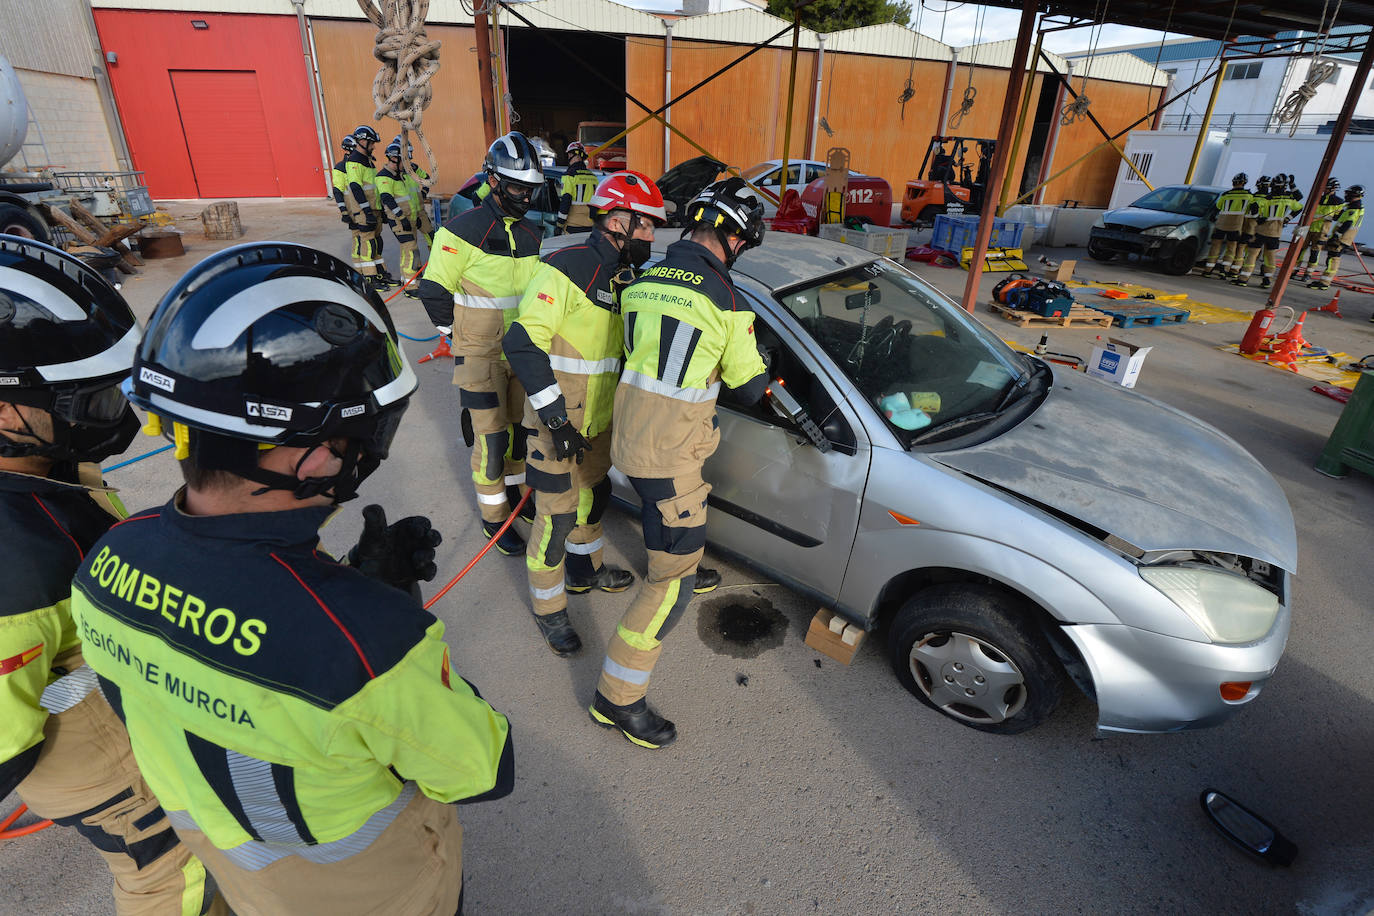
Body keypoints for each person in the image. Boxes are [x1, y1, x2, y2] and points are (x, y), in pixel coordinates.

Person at [69, 242, 514, 915]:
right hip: (374, 893)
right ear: (307, 459)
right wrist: (382, 612)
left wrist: (345, 592)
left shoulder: (107, 560)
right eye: (359, 438)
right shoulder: (373, 644)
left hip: (240, 873)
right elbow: (483, 771)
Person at [0, 236, 226, 915]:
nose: (106, 413)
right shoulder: (15, 565)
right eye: (83, 399)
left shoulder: (48, 471)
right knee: (173, 877)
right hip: (104, 767)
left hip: (130, 717)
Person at [592, 178, 769, 748]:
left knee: (665, 534)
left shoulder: (644, 279)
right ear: (733, 237)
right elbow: (750, 388)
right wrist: (757, 355)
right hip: (671, 461)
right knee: (668, 584)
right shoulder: (727, 299)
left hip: (632, 442)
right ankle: (616, 700)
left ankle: (677, 559)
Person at [503, 172, 667, 656]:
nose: (652, 237)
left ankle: (585, 571)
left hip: (598, 427)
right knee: (553, 522)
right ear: (618, 221)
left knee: (593, 500)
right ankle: (550, 610)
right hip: (557, 426)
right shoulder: (564, 268)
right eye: (647, 227)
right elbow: (521, 341)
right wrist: (555, 419)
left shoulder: (629, 278)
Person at [417, 132, 545, 556]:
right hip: (479, 354)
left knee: (519, 434)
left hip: (520, 353)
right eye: (515, 187)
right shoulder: (461, 230)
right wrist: (458, 337)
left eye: (530, 189)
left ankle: (513, 499)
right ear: (492, 180)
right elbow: (434, 290)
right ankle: (494, 519)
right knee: (490, 441)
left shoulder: (532, 232)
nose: (524, 197)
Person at [343, 124, 396, 294]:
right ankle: (370, 279)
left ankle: (380, 273)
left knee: (376, 242)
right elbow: (356, 188)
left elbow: (374, 188)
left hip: (374, 209)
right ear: (362, 141)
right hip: (364, 211)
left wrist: (381, 210)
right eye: (371, 143)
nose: (373, 146)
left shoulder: (368, 161)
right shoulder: (354, 162)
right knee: (368, 243)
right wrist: (366, 211)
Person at [376, 140, 423, 291]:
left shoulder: (399, 175)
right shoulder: (384, 176)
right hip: (399, 221)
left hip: (408, 219)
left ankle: (406, 280)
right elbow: (387, 199)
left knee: (407, 250)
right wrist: (402, 218)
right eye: (403, 161)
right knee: (410, 249)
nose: (405, 164)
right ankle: (410, 288)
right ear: (395, 159)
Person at [1310, 184, 1364, 292]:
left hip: (1341, 239)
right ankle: (1323, 281)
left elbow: (1347, 223)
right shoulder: (1354, 207)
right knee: (1331, 258)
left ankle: (1324, 283)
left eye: (1348, 194)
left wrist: (1336, 236)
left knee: (1333, 260)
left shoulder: (1353, 209)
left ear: (1354, 195)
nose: (1346, 195)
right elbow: (1341, 219)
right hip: (1344, 238)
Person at [1199, 173, 1250, 278]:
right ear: (1244, 183)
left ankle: (1208, 270)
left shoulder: (1226, 194)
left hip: (1221, 224)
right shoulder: (1248, 196)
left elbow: (1218, 206)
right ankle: (1224, 270)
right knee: (1231, 248)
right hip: (1236, 226)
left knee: (1215, 246)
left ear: (1233, 182)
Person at [1296, 177, 1344, 281]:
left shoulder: (1339, 202)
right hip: (1308, 228)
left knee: (1314, 253)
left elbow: (1338, 216)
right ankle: (1294, 270)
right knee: (1300, 250)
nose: (1323, 190)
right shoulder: (1317, 198)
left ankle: (1308, 273)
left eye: (1326, 188)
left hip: (1321, 231)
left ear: (1333, 189)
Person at [557, 141, 598, 236]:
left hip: (572, 226)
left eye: (568, 155)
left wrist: (559, 224)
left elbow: (565, 201)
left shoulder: (569, 176)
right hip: (590, 227)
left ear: (571, 154)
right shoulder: (593, 177)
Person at [331, 134, 358, 228]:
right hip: (353, 211)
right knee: (360, 239)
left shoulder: (362, 164)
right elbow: (337, 191)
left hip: (366, 209)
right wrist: (344, 212)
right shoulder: (340, 168)